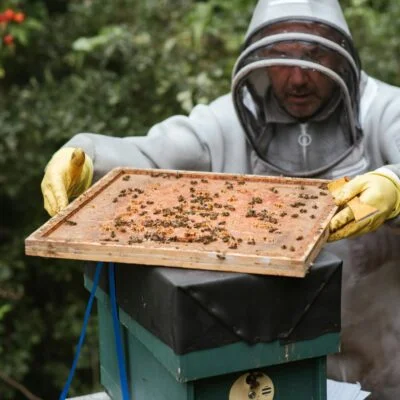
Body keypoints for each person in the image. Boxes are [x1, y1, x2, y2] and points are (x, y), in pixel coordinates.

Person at [41, 0, 400, 398]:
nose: (299, 77)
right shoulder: (227, 122)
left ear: (341, 54)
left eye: (315, 55)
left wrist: (396, 183)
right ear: (259, 58)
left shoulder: (384, 109)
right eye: (282, 57)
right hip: (270, 365)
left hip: (385, 361)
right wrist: (87, 156)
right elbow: (154, 155)